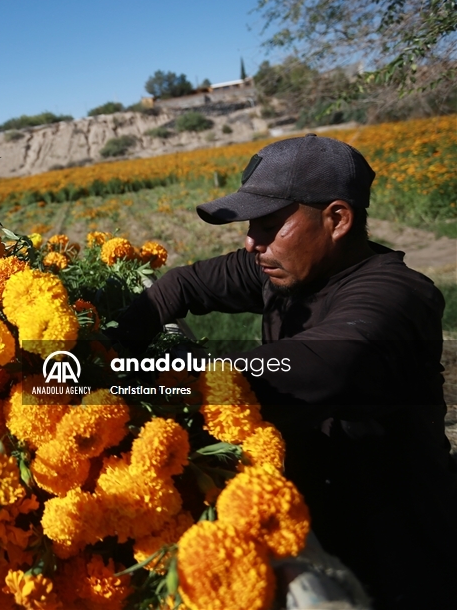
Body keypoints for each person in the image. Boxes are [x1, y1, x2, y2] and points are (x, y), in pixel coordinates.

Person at [111, 134, 457, 609]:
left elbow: (321, 365)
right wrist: (111, 352)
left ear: (337, 219)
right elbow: (180, 285)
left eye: (270, 223)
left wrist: (159, 377)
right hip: (313, 511)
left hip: (399, 555)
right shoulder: (289, 267)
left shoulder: (396, 298)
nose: (252, 241)